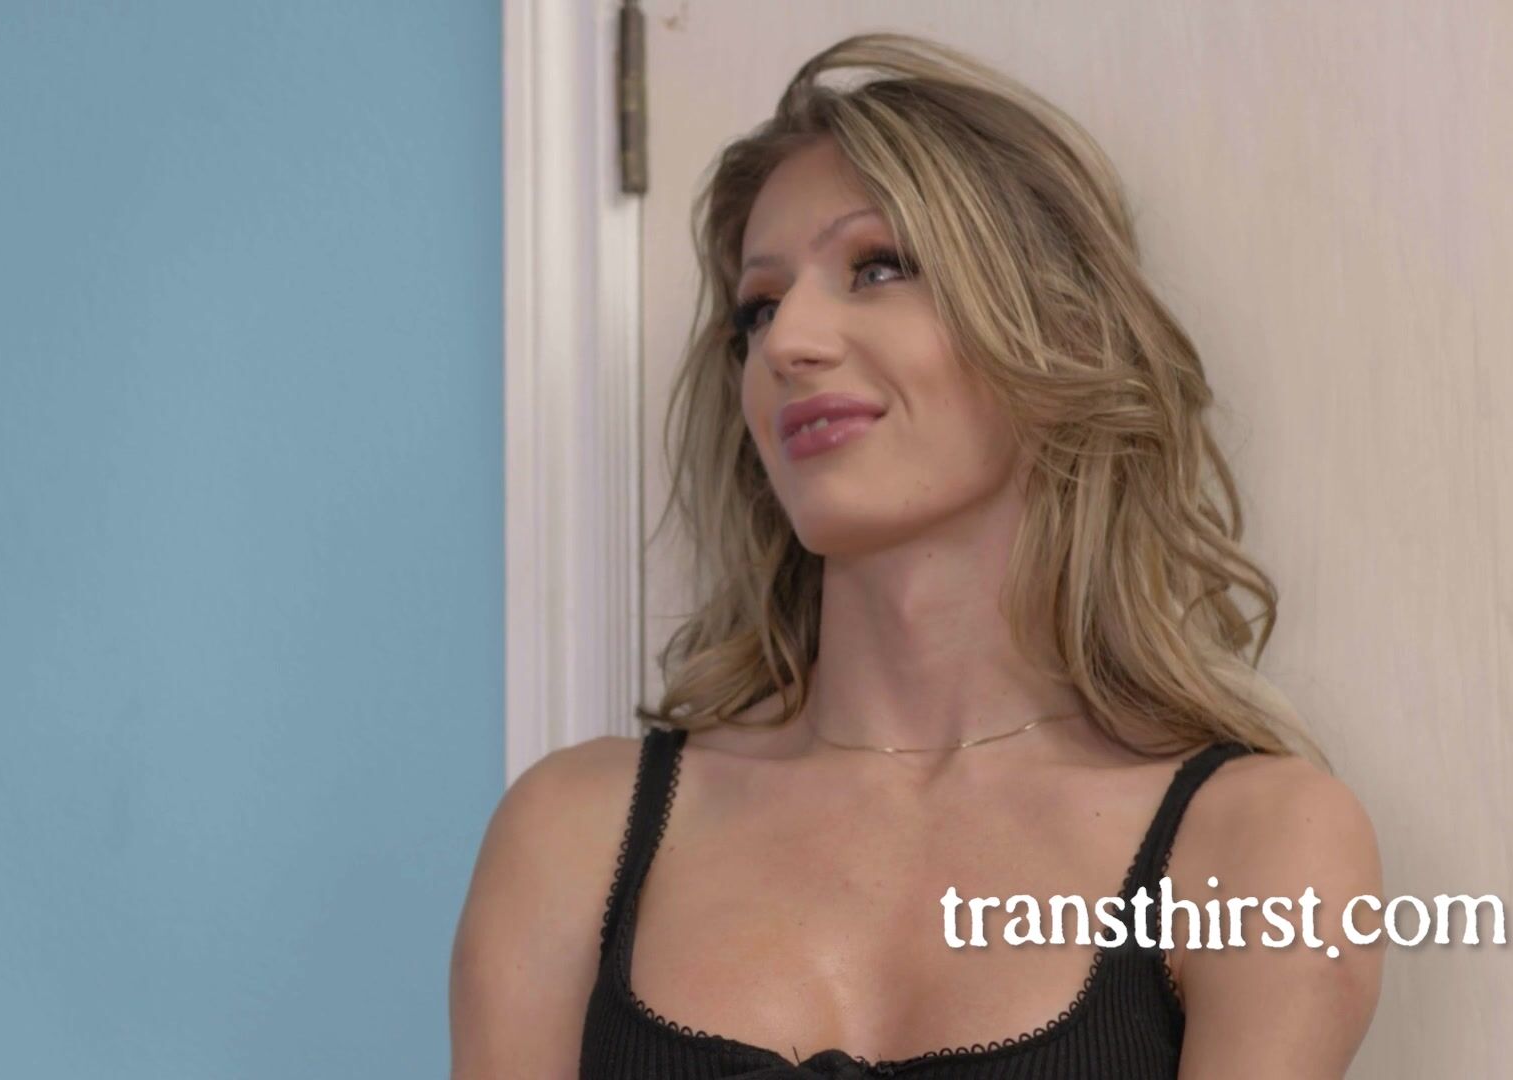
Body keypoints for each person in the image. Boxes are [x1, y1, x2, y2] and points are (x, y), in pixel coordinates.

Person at [451, 32, 1382, 1079]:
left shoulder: (1258, 848)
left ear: (1056, 329)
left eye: (877, 267)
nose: (787, 343)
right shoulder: (574, 835)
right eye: (759, 307)